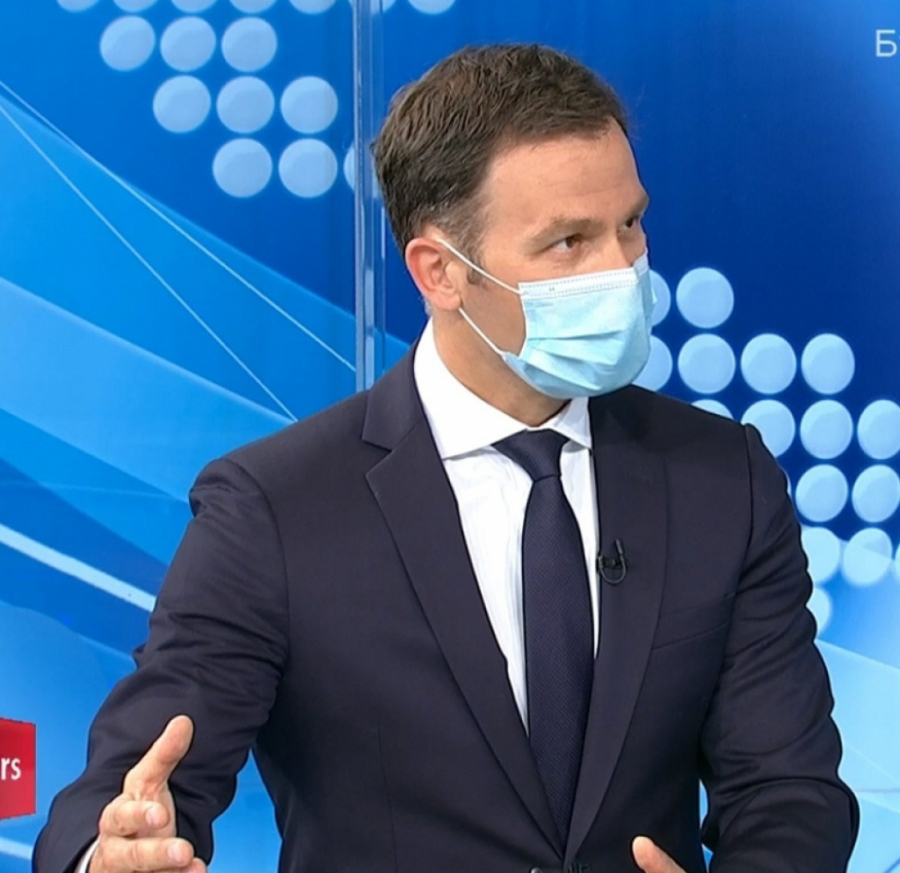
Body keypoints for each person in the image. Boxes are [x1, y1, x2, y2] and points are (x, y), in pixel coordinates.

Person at [34, 44, 858, 873]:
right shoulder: (274, 509)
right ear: (440, 273)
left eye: (630, 224)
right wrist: (109, 854)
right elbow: (135, 783)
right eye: (569, 242)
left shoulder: (724, 479)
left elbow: (789, 792)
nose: (622, 269)